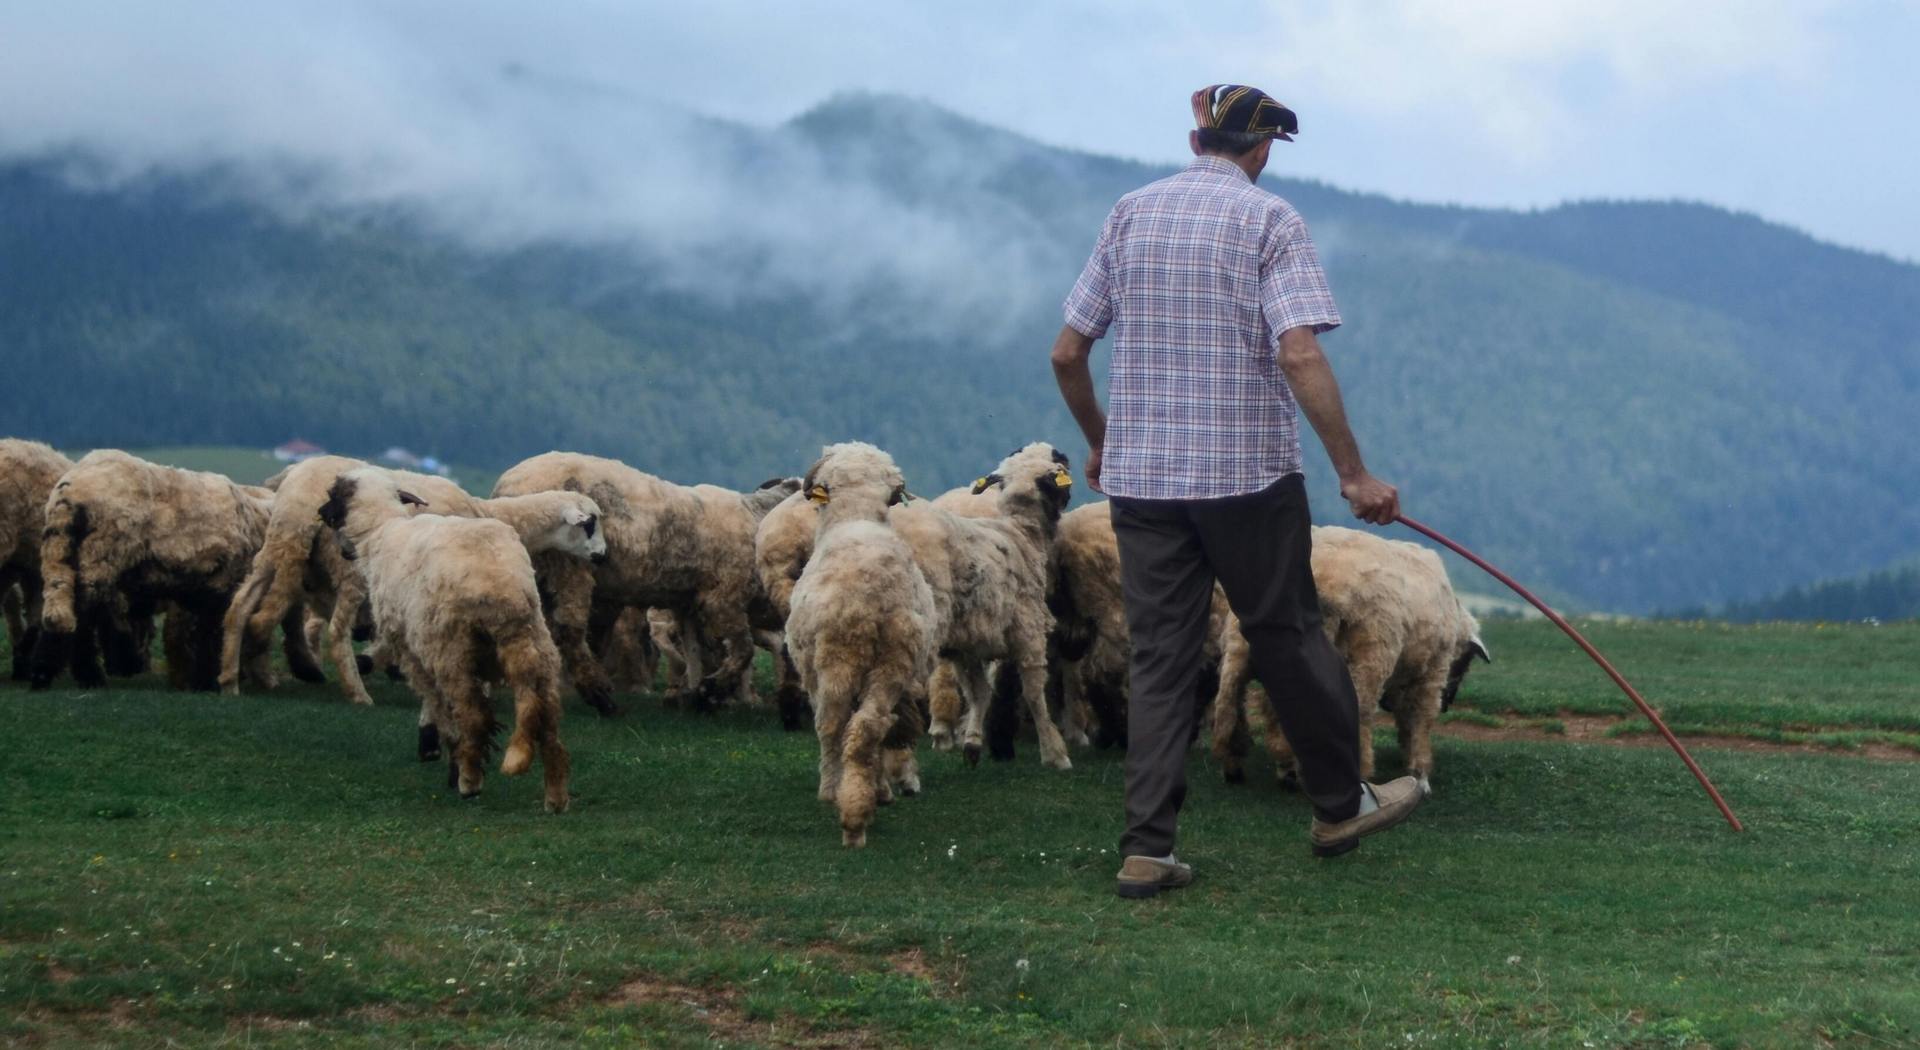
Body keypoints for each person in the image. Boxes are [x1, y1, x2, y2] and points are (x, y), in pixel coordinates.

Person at [1050, 85, 1426, 899]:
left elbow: (1067, 353)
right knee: (1286, 633)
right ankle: (1338, 807)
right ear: (1260, 151)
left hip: (1143, 487)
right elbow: (1298, 354)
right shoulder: (1271, 222)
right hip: (1246, 479)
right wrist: (1353, 473)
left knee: (1160, 655)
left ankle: (1147, 849)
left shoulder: (1129, 213)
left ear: (1197, 138)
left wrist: (1103, 443)